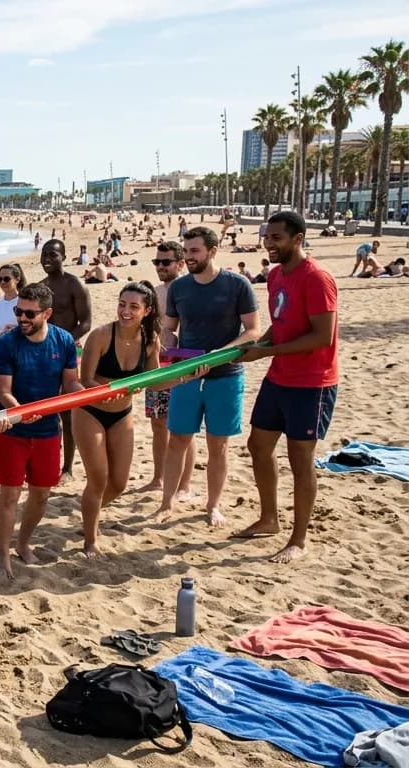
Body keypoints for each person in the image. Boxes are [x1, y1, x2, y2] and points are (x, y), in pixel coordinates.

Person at [236, 211, 338, 563]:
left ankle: (298, 539)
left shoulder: (317, 278)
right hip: (279, 377)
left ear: (298, 239)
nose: (269, 244)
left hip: (312, 382)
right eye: (267, 237)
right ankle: (269, 518)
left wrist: (268, 352)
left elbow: (322, 336)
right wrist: (258, 348)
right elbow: (278, 327)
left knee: (300, 458)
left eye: (277, 238)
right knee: (258, 445)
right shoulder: (277, 274)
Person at [154, 226, 261, 527]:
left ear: (213, 251)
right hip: (186, 375)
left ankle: (213, 506)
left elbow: (253, 330)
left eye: (195, 251)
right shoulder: (179, 288)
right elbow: (168, 329)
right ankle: (167, 503)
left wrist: (218, 355)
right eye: (186, 252)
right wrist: (172, 354)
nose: (188, 257)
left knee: (218, 445)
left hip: (226, 375)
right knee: (177, 440)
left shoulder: (237, 285)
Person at [0, 283, 80, 579]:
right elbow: (3, 390)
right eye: (18, 312)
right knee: (10, 495)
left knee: (41, 494)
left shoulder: (63, 341)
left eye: (29, 313)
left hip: (48, 430)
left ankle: (23, 542)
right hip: (12, 428)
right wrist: (19, 412)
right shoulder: (6, 343)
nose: (22, 318)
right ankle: (3, 554)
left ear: (47, 313)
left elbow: (70, 385)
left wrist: (94, 394)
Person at [73, 282, 162, 558]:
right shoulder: (100, 336)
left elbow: (155, 380)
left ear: (146, 311)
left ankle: (91, 514)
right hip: (90, 411)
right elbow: (84, 379)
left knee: (119, 483)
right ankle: (90, 541)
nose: (126, 311)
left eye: (134, 307)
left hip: (122, 414)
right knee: (98, 478)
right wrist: (102, 392)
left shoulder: (150, 340)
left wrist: (191, 374)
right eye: (122, 304)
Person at [139, 242, 195, 497]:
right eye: (157, 262)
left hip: (184, 366)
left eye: (166, 262)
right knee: (158, 425)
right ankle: (158, 478)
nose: (160, 267)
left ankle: (183, 484)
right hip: (157, 367)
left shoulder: (192, 291)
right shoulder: (156, 294)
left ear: (180, 263)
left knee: (183, 428)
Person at [37, 239, 92, 482]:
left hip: (68, 352)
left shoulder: (74, 284)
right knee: (43, 410)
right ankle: (47, 460)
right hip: (43, 354)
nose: (47, 259)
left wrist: (64, 341)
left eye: (53, 255)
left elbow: (86, 322)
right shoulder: (41, 288)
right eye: (44, 255)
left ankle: (68, 467)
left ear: (63, 257)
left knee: (67, 413)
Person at [0, 263, 26, 339]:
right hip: (1, 348)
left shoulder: (24, 302)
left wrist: (16, 330)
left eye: (6, 279)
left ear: (17, 279)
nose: (2, 282)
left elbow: (33, 329)